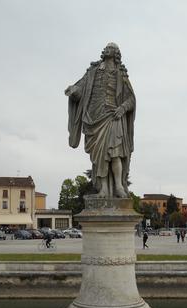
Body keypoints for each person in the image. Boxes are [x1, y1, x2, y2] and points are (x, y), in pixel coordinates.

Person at [65, 43, 136, 198]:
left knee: (115, 153)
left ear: (116, 53)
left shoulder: (120, 73)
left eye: (110, 47)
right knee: (100, 156)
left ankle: (118, 186)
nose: (106, 49)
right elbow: (81, 89)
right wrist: (73, 90)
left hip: (113, 115)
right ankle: (103, 189)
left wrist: (122, 108)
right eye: (106, 47)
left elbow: (131, 98)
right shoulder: (93, 72)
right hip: (94, 118)